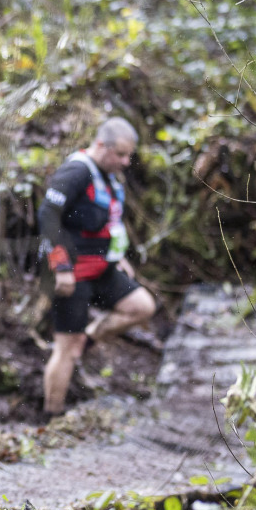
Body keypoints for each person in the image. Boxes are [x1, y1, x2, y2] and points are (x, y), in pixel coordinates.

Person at [39, 117, 157, 416]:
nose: (126, 161)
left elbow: (107, 223)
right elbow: (47, 216)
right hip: (70, 274)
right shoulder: (76, 171)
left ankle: (86, 339)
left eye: (128, 155)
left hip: (101, 268)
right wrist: (61, 267)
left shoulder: (108, 176)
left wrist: (117, 256)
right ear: (100, 145)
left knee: (142, 306)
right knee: (64, 349)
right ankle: (51, 418)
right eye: (120, 154)